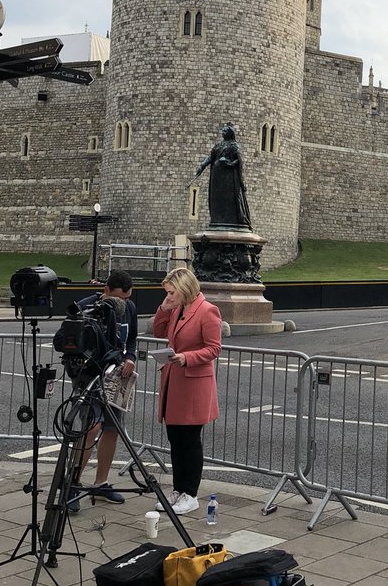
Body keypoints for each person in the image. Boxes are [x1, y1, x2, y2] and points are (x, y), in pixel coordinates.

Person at [152, 266, 222, 516]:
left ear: (185, 289)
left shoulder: (207, 310)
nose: (169, 296)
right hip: (175, 381)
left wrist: (187, 357)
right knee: (175, 439)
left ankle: (190, 493)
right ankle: (178, 489)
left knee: (189, 440)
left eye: (172, 292)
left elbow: (214, 348)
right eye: (167, 293)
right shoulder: (176, 309)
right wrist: (164, 308)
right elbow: (159, 331)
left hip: (193, 383)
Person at [67, 270, 137, 512]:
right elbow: (70, 341)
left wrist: (130, 357)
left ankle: (101, 483)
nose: (123, 303)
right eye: (118, 298)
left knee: (112, 429)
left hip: (116, 376)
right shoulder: (86, 307)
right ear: (106, 290)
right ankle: (73, 483)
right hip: (89, 376)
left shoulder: (130, 309)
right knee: (91, 427)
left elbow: (131, 339)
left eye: (127, 298)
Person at [193, 123, 252, 230]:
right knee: (217, 198)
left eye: (225, 131)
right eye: (222, 131)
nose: (222, 133)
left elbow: (239, 161)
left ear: (229, 133)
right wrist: (202, 166)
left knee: (229, 199)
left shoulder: (234, 146)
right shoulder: (219, 146)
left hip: (229, 178)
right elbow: (211, 157)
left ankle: (231, 220)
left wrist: (229, 163)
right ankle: (218, 219)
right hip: (217, 176)